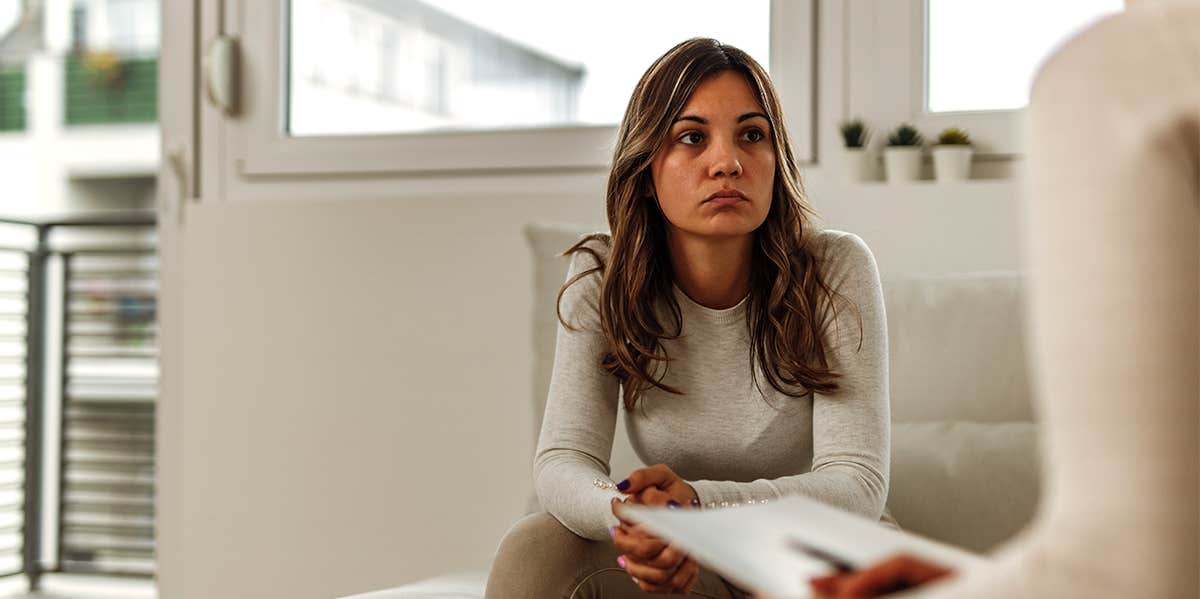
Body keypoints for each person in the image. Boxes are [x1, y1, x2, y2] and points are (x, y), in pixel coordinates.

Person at [762, 4, 1200, 598]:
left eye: (754, 134)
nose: (727, 163)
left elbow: (1121, 573)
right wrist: (986, 582)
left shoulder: (1119, 85)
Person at [485, 37, 895, 598]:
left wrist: (697, 506)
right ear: (647, 163)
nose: (727, 162)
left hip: (809, 553)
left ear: (777, 160)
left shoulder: (834, 268)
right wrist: (630, 514)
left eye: (752, 135)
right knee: (536, 547)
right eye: (692, 137)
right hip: (684, 553)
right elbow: (564, 460)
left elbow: (857, 483)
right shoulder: (603, 276)